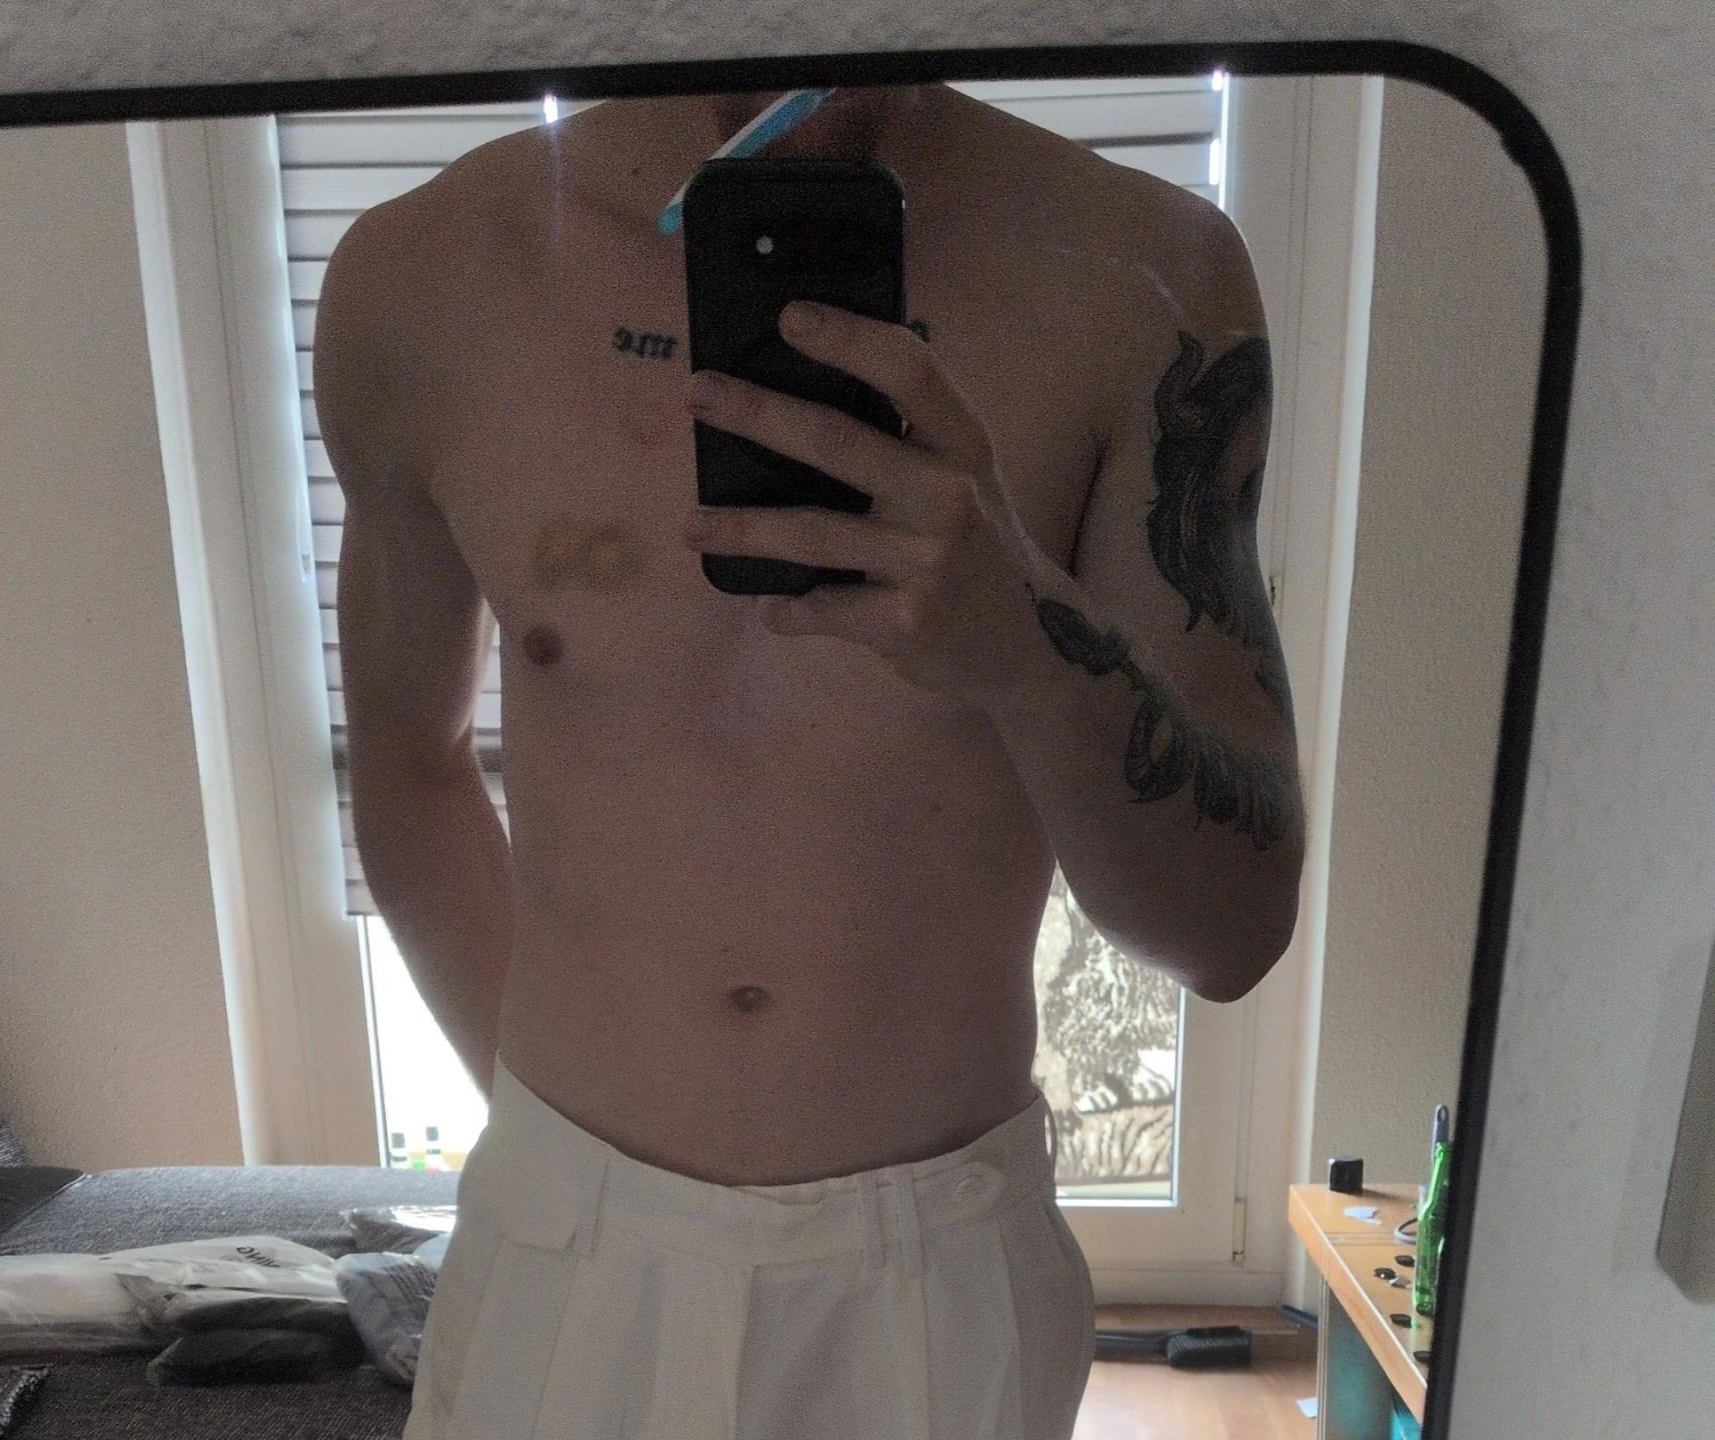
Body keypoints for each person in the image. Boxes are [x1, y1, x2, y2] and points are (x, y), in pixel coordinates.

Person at [314, 81, 1306, 1440]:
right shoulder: (425, 278)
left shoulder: (1146, 279)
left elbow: (1233, 932)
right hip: (561, 1244)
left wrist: (1024, 642)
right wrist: (563, 1159)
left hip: (934, 1278)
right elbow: (409, 768)